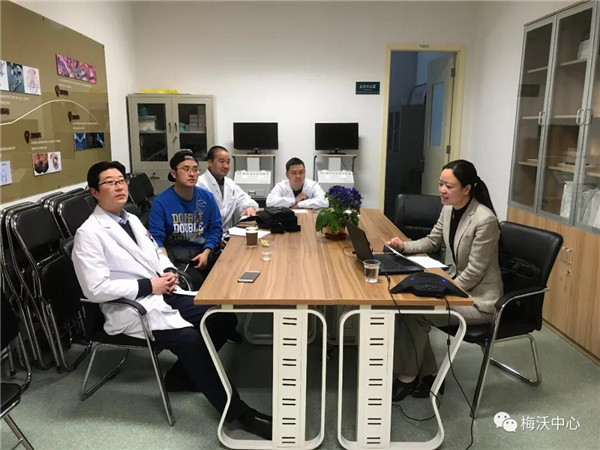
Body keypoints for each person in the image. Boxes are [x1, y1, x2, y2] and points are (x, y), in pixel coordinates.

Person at [72, 161, 272, 439]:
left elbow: (156, 252)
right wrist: (149, 285)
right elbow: (95, 288)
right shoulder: (88, 233)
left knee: (221, 317)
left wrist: (168, 271)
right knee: (190, 339)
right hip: (133, 307)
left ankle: (182, 376)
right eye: (110, 182)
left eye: (121, 180)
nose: (119, 187)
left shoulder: (130, 219)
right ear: (95, 192)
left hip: (162, 292)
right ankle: (239, 413)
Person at [386, 159, 503, 401]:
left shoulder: (485, 220)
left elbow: (475, 272)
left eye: (449, 186)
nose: (442, 190)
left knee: (415, 313)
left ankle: (407, 378)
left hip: (479, 301)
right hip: (459, 287)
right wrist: (403, 246)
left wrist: (442, 291)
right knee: (410, 308)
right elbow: (432, 240)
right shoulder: (449, 209)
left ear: (467, 189)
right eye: (441, 184)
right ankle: (429, 376)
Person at [148, 150, 222, 287]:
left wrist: (206, 252)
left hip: (204, 252)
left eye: (195, 169)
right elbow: (156, 239)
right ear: (173, 173)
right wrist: (167, 267)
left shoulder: (207, 198)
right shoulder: (161, 202)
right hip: (178, 259)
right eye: (186, 169)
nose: (192, 174)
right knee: (195, 281)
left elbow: (215, 229)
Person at [197, 145, 258, 229]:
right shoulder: (199, 184)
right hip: (206, 234)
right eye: (221, 161)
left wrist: (250, 207)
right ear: (210, 162)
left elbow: (243, 199)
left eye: (228, 162)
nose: (226, 166)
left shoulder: (230, 184)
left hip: (226, 233)